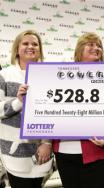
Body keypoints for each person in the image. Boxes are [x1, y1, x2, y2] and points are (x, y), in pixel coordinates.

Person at [52, 32, 104, 188]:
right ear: (80, 49)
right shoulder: (59, 75)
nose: (96, 48)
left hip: (100, 152)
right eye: (91, 44)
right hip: (65, 152)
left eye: (99, 45)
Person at [0, 30, 53, 188]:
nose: (30, 46)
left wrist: (47, 143)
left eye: (35, 44)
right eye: (25, 43)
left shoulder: (49, 75)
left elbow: (53, 113)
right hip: (14, 155)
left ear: (40, 50)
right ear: (17, 48)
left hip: (41, 154)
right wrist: (18, 102)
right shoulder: (5, 75)